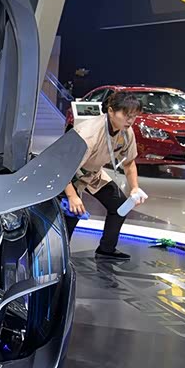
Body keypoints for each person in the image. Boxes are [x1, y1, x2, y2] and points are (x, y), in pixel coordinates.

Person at [62, 92, 146, 261]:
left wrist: (135, 187)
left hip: (93, 174)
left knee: (120, 206)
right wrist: (72, 196)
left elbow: (129, 163)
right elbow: (63, 168)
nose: (130, 120)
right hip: (68, 175)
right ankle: (60, 256)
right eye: (126, 115)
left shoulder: (126, 132)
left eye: (134, 116)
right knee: (72, 213)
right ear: (111, 111)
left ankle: (106, 249)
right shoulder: (88, 133)